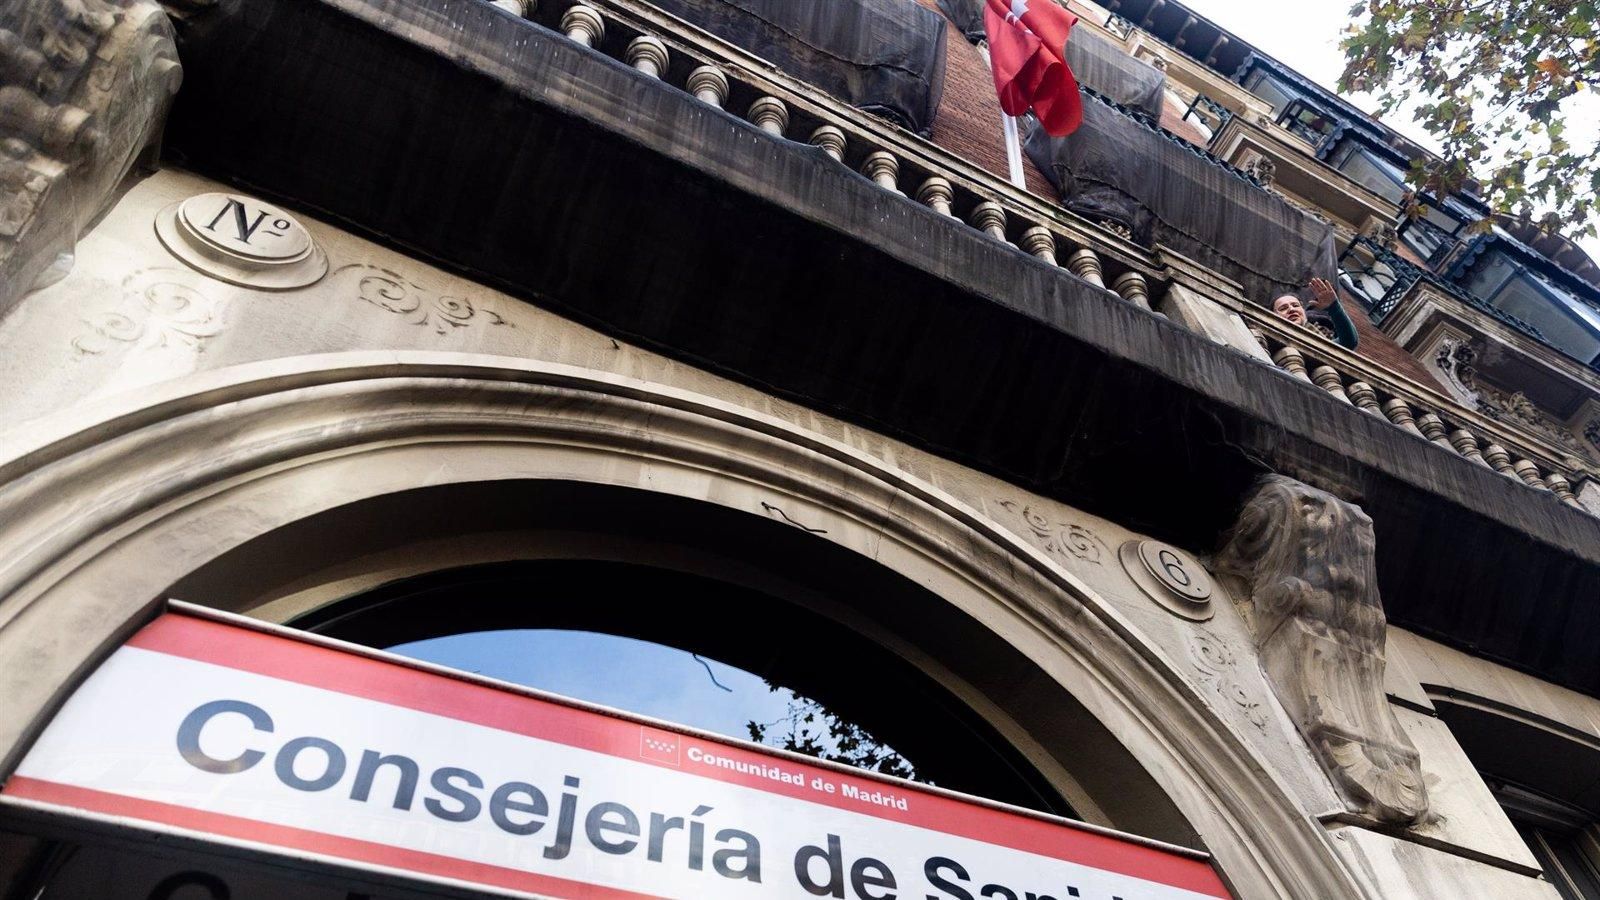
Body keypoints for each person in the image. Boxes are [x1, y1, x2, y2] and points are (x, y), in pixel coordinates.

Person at [1272, 277, 1358, 349]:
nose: (1291, 309)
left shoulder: (1320, 340)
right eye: (1283, 308)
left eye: (1295, 305)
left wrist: (1334, 306)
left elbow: (1349, 342)